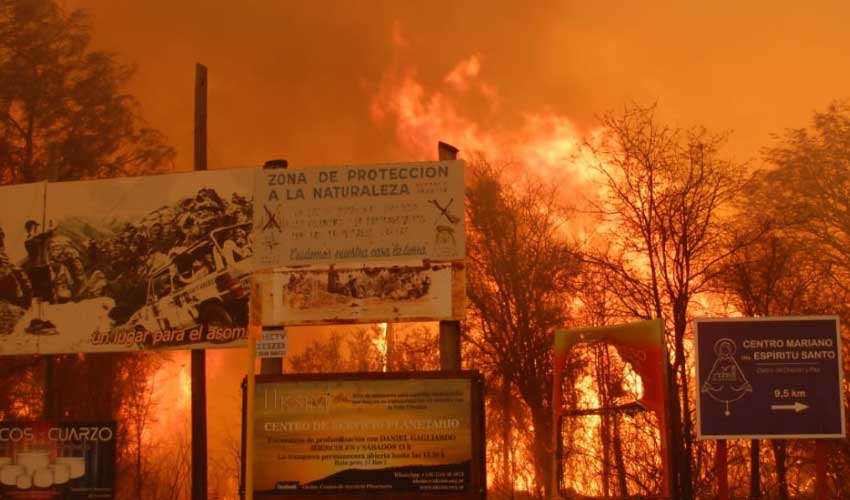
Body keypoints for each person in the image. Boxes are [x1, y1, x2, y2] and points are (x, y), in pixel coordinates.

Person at [23, 220, 57, 334]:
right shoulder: (29, 240)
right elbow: (33, 240)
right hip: (36, 270)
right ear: (29, 229)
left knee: (45, 296)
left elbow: (48, 236)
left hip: (44, 269)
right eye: (34, 227)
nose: (36, 229)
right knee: (37, 295)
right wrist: (47, 232)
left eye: (36, 227)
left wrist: (51, 229)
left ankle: (43, 320)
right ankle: (35, 320)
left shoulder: (40, 239)